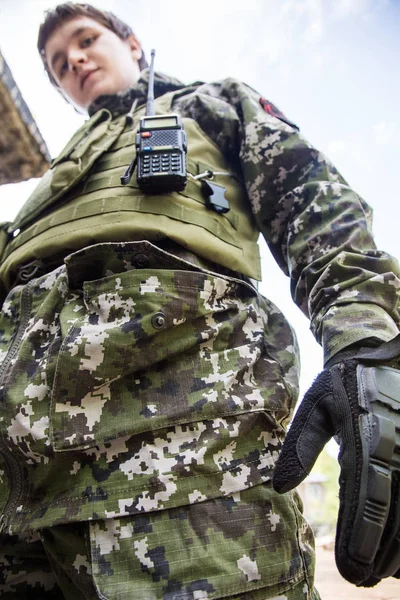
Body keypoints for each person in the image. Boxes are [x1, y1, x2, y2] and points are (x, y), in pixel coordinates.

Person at [0, 3, 399, 599]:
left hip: (180, 459)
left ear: (132, 45)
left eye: (85, 40)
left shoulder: (211, 104)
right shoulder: (56, 178)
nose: (74, 60)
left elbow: (318, 210)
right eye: (59, 63)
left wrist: (366, 345)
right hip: (14, 486)